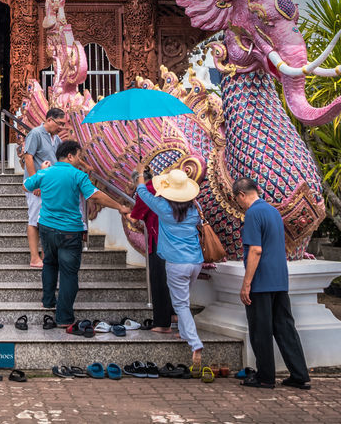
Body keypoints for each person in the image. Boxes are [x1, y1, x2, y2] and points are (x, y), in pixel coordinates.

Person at [23, 140, 130, 328]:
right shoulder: (78, 175)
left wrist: (42, 170)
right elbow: (94, 196)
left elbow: (26, 186)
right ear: (70, 156)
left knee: (49, 262)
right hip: (69, 232)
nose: (80, 161)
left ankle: (48, 300)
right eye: (79, 156)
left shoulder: (45, 172)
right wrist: (119, 206)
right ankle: (64, 318)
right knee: (68, 273)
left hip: (46, 228)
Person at [234, 176, 311, 390]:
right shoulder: (273, 211)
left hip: (261, 280)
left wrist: (246, 283)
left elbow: (255, 250)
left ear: (242, 195)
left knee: (261, 330)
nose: (239, 204)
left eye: (237, 200)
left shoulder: (253, 213)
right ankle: (299, 374)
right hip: (279, 279)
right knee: (285, 328)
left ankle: (266, 376)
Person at [134, 167, 205, 368]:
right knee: (184, 300)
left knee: (181, 305)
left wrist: (141, 174)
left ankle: (195, 343)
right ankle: (184, 334)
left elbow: (142, 192)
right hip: (195, 262)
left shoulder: (164, 209)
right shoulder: (194, 209)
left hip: (176, 263)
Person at [129, 173, 175, 334]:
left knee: (159, 280)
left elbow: (134, 218)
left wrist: (126, 214)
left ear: (137, 181)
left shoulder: (146, 192)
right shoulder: (170, 191)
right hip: (177, 241)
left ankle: (162, 323)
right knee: (174, 281)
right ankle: (173, 313)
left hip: (158, 239)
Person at [21, 107, 65, 268]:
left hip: (51, 186)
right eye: (59, 123)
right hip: (37, 185)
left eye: (63, 124)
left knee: (48, 221)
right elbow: (28, 157)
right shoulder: (36, 134)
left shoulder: (56, 138)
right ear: (49, 120)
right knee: (34, 220)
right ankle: (34, 257)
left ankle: (47, 255)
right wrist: (35, 182)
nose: (61, 127)